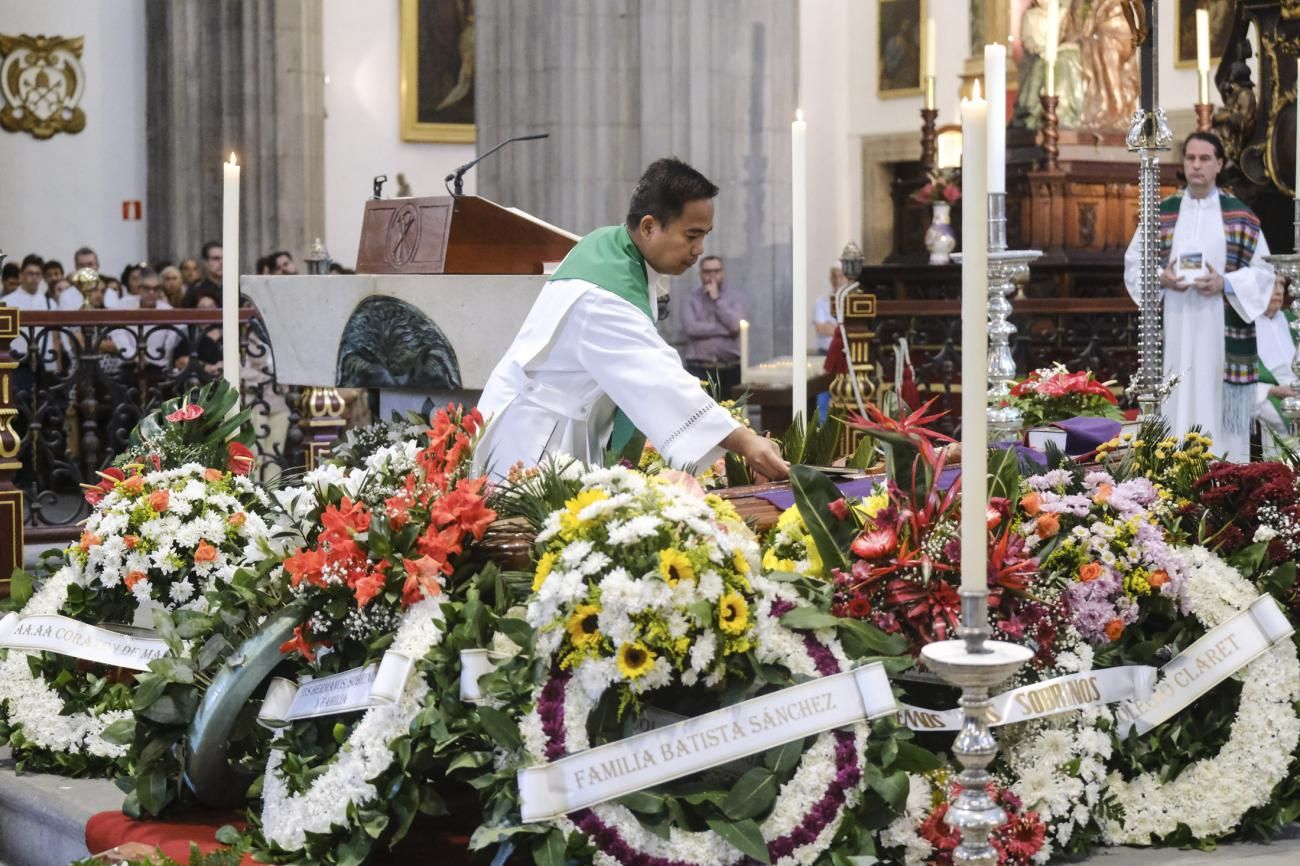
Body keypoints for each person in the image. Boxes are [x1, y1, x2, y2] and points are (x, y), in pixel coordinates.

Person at [476, 157, 786, 480]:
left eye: (705, 235)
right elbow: (657, 378)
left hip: (556, 425)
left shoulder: (611, 248)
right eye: (692, 236)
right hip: (530, 441)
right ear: (649, 226)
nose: (699, 249)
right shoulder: (602, 296)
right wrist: (746, 442)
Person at [1124, 132, 1274, 462]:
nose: (1196, 165)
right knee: (1176, 398)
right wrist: (1162, 278)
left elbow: (1264, 274)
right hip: (1176, 328)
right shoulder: (1161, 212)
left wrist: (1225, 283)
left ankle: (1225, 475)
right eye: (1190, 158)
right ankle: (1172, 476)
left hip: (1219, 331)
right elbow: (1134, 263)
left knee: (1217, 408)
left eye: (1205, 159)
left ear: (1219, 164)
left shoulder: (1241, 216)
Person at [682, 255, 744, 397]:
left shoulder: (734, 297)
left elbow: (736, 326)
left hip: (730, 368)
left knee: (732, 414)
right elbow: (691, 328)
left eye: (716, 271)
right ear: (700, 274)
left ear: (723, 272)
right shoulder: (691, 298)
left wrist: (716, 299)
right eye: (707, 272)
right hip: (699, 368)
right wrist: (724, 330)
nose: (712, 275)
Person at [1254, 276, 1297, 457]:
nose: (1279, 290)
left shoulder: (1292, 319)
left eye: (1281, 284)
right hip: (1267, 394)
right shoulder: (1245, 325)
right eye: (1272, 284)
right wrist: (1272, 390)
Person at [813, 264, 848, 354]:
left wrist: (833, 327)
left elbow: (852, 330)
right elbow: (821, 329)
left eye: (841, 276)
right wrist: (843, 329)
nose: (837, 280)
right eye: (834, 276)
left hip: (846, 352)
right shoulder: (821, 301)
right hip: (825, 352)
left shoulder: (851, 301)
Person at [185, 241, 223, 307]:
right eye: (215, 258)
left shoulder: (238, 290)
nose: (221, 262)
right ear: (205, 262)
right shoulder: (196, 290)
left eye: (225, 258)